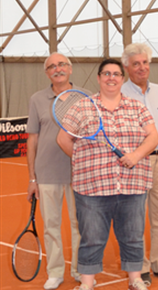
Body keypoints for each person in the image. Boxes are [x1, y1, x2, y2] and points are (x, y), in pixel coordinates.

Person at [57, 58, 158, 290]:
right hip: (92, 188)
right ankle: (87, 283)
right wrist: (84, 162)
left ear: (122, 79)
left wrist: (135, 155)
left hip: (132, 184)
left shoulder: (137, 107)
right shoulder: (82, 107)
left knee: (133, 236)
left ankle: (135, 279)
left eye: (116, 74)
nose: (111, 78)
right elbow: (63, 139)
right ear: (99, 78)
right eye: (106, 74)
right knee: (91, 238)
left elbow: (153, 137)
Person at [26, 52, 89, 290]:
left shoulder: (86, 97)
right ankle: (55, 272)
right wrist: (32, 178)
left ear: (70, 68)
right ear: (47, 73)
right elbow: (32, 141)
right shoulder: (37, 99)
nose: (57, 69)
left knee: (80, 225)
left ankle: (80, 269)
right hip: (47, 174)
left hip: (80, 174)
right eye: (52, 66)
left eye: (62, 64)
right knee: (51, 225)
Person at [121, 43, 158, 284]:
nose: (142, 68)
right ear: (127, 67)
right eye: (136, 64)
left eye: (145, 63)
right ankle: (139, 266)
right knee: (135, 217)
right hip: (137, 162)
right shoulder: (120, 93)